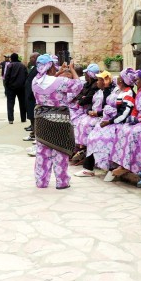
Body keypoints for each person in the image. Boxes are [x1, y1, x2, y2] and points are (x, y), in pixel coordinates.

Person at [32, 55, 84, 189]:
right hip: (59, 121)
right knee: (60, 151)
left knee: (42, 152)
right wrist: (72, 70)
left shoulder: (35, 81)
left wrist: (58, 73)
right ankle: (62, 181)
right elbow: (78, 86)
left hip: (41, 120)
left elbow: (48, 82)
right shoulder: (61, 81)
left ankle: (41, 182)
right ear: (51, 66)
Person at [85, 68, 137, 180]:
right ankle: (89, 168)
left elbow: (124, 114)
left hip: (117, 123)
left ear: (122, 81)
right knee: (92, 136)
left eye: (119, 77)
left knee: (106, 139)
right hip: (109, 120)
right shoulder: (117, 90)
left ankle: (111, 169)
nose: (116, 78)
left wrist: (109, 121)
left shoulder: (128, 93)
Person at [73, 70, 115, 177]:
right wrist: (89, 111)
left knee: (93, 136)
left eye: (100, 80)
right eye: (97, 80)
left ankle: (101, 167)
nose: (97, 82)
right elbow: (91, 104)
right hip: (101, 118)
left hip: (107, 120)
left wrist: (97, 113)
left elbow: (109, 109)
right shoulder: (100, 91)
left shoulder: (110, 93)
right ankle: (86, 163)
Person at [70, 63, 102, 165]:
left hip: (87, 111)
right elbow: (80, 97)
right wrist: (82, 98)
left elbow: (86, 100)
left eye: (87, 74)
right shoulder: (87, 84)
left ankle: (82, 148)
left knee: (80, 122)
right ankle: (76, 148)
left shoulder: (95, 86)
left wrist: (82, 98)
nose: (86, 76)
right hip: (83, 109)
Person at [4, 52, 28, 124]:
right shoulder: (23, 66)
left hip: (11, 88)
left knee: (10, 103)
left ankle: (11, 119)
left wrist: (6, 86)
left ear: (11, 58)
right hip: (21, 87)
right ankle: (23, 118)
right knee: (22, 103)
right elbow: (26, 76)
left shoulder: (10, 66)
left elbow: (7, 77)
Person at [23, 52, 40, 140]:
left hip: (32, 97)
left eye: (31, 58)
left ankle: (35, 135)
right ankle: (33, 133)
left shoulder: (38, 69)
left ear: (36, 58)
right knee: (30, 115)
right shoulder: (35, 68)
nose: (30, 60)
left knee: (32, 115)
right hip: (29, 96)